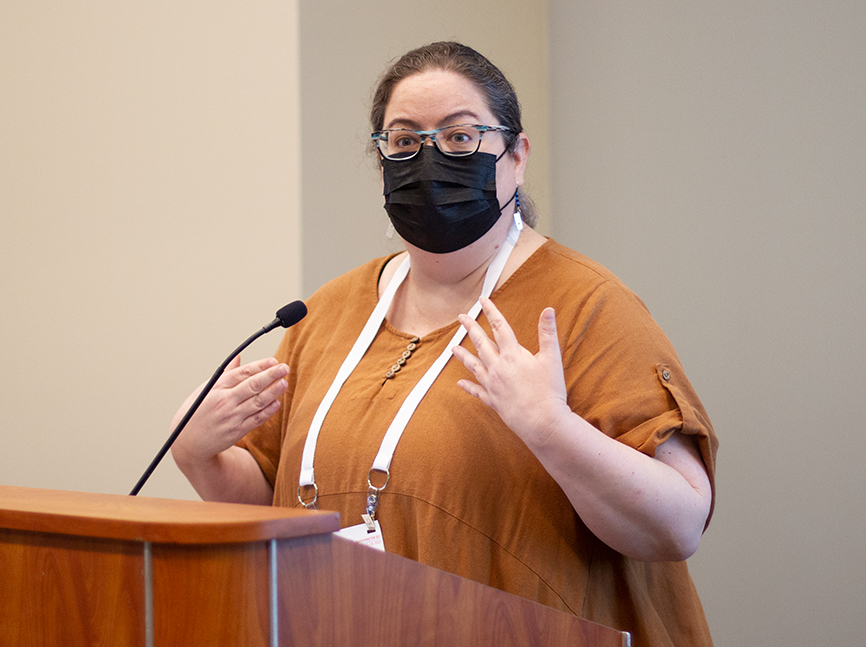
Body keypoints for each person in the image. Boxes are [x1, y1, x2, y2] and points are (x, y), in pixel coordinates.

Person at [171, 41, 717, 647]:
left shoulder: (585, 306)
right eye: (404, 142)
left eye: (459, 138)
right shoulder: (326, 312)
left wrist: (550, 427)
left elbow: (679, 525)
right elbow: (280, 507)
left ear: (516, 154)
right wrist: (200, 455)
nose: (429, 158)